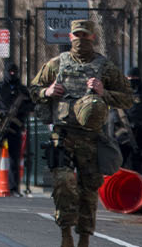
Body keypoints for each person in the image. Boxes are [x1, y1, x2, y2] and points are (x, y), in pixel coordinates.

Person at [30, 20, 133, 247]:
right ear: (70, 37)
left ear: (93, 37)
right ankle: (65, 233)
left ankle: (84, 237)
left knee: (89, 189)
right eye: (77, 35)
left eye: (85, 36)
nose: (80, 40)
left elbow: (128, 98)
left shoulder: (105, 67)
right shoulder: (57, 64)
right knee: (63, 183)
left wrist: (104, 92)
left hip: (91, 138)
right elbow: (33, 90)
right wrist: (47, 91)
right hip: (63, 135)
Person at [0, 63, 33, 195]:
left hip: (15, 128)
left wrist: (20, 112)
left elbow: (31, 105)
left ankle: (14, 188)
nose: (12, 74)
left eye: (14, 72)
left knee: (14, 159)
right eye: (10, 71)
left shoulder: (22, 90)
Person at [115, 67, 142, 173]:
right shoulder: (121, 93)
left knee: (137, 167)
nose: (132, 81)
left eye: (134, 78)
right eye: (130, 78)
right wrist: (119, 131)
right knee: (120, 166)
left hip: (140, 136)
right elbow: (114, 113)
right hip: (122, 136)